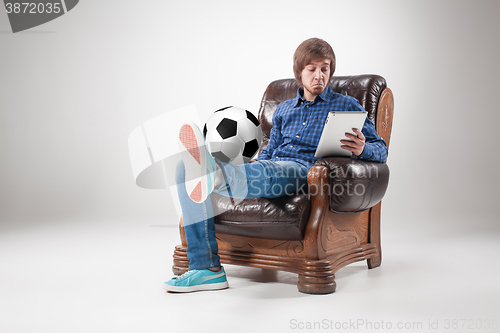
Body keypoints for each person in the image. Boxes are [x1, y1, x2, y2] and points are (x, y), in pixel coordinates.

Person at [163, 38, 388, 293]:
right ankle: (206, 268)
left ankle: (218, 176)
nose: (319, 76)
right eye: (311, 69)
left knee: (276, 170)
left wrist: (362, 149)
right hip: (273, 165)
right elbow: (269, 150)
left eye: (324, 69)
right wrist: (257, 162)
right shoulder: (283, 109)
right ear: (299, 73)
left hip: (306, 171)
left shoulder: (347, 106)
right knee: (184, 169)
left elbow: (381, 149)